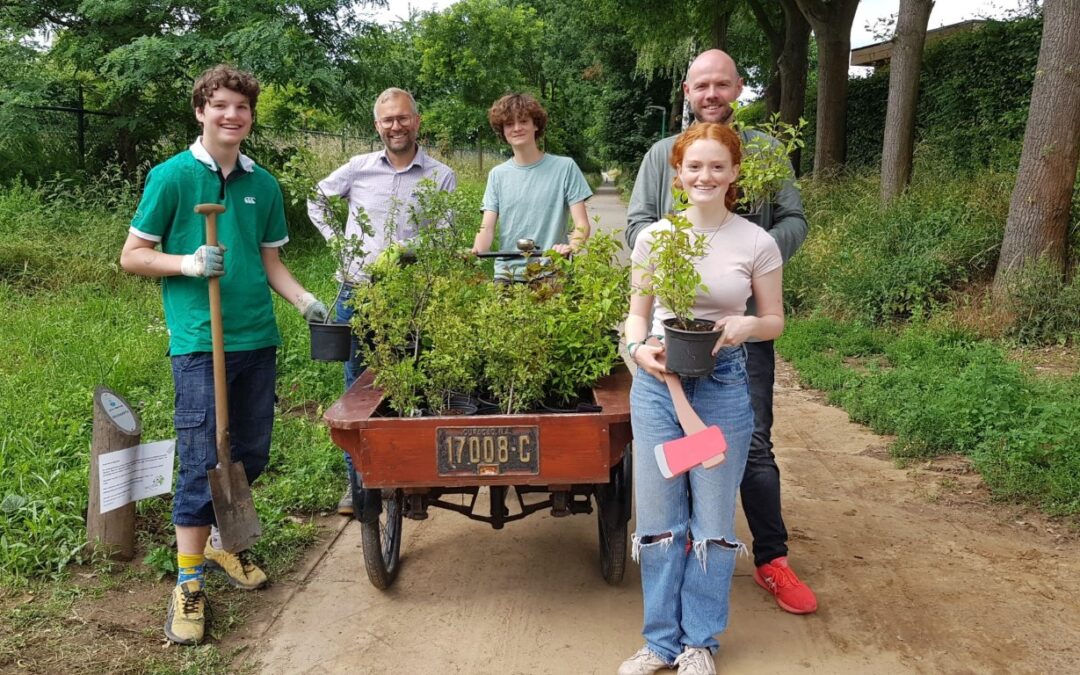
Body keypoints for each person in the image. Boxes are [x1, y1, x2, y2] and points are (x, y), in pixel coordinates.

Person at [119, 65, 328, 645]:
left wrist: (303, 300)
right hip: (199, 343)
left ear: (250, 117)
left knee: (250, 454)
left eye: (241, 107)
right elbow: (133, 256)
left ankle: (219, 544)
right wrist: (186, 263)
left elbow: (271, 263)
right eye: (221, 106)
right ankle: (187, 584)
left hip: (256, 337)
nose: (232, 116)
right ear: (200, 112)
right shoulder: (172, 178)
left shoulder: (265, 184)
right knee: (203, 457)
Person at [626, 49, 816, 616]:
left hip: (737, 331)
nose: (711, 93)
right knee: (671, 461)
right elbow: (638, 223)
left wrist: (752, 265)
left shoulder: (763, 151)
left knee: (752, 442)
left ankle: (771, 560)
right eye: (701, 84)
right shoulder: (662, 153)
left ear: (737, 88)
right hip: (672, 332)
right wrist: (684, 259)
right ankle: (673, 574)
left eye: (722, 84)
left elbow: (793, 220)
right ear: (687, 90)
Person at [619, 122, 784, 675]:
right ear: (678, 175)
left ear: (735, 172)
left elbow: (775, 321)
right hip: (659, 389)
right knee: (662, 519)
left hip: (721, 389)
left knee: (713, 522)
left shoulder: (755, 241)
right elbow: (637, 315)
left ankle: (699, 643)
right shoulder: (655, 238)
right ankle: (660, 642)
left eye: (717, 166)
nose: (705, 176)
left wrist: (744, 326)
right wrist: (638, 348)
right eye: (694, 167)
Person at [307, 88, 456, 516]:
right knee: (358, 382)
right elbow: (316, 199)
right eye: (388, 120)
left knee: (415, 376)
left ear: (417, 121)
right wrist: (341, 244)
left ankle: (411, 475)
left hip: (412, 293)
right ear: (377, 126)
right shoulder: (358, 168)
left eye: (403, 118)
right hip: (358, 290)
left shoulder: (440, 174)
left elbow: (445, 234)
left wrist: (409, 253)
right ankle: (358, 482)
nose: (396, 126)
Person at [471, 93, 592, 280]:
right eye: (509, 124)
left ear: (536, 125)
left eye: (523, 121)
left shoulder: (565, 167)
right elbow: (486, 228)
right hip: (507, 274)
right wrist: (476, 251)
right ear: (502, 130)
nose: (517, 128)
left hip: (552, 270)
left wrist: (570, 247)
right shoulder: (497, 174)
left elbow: (582, 224)